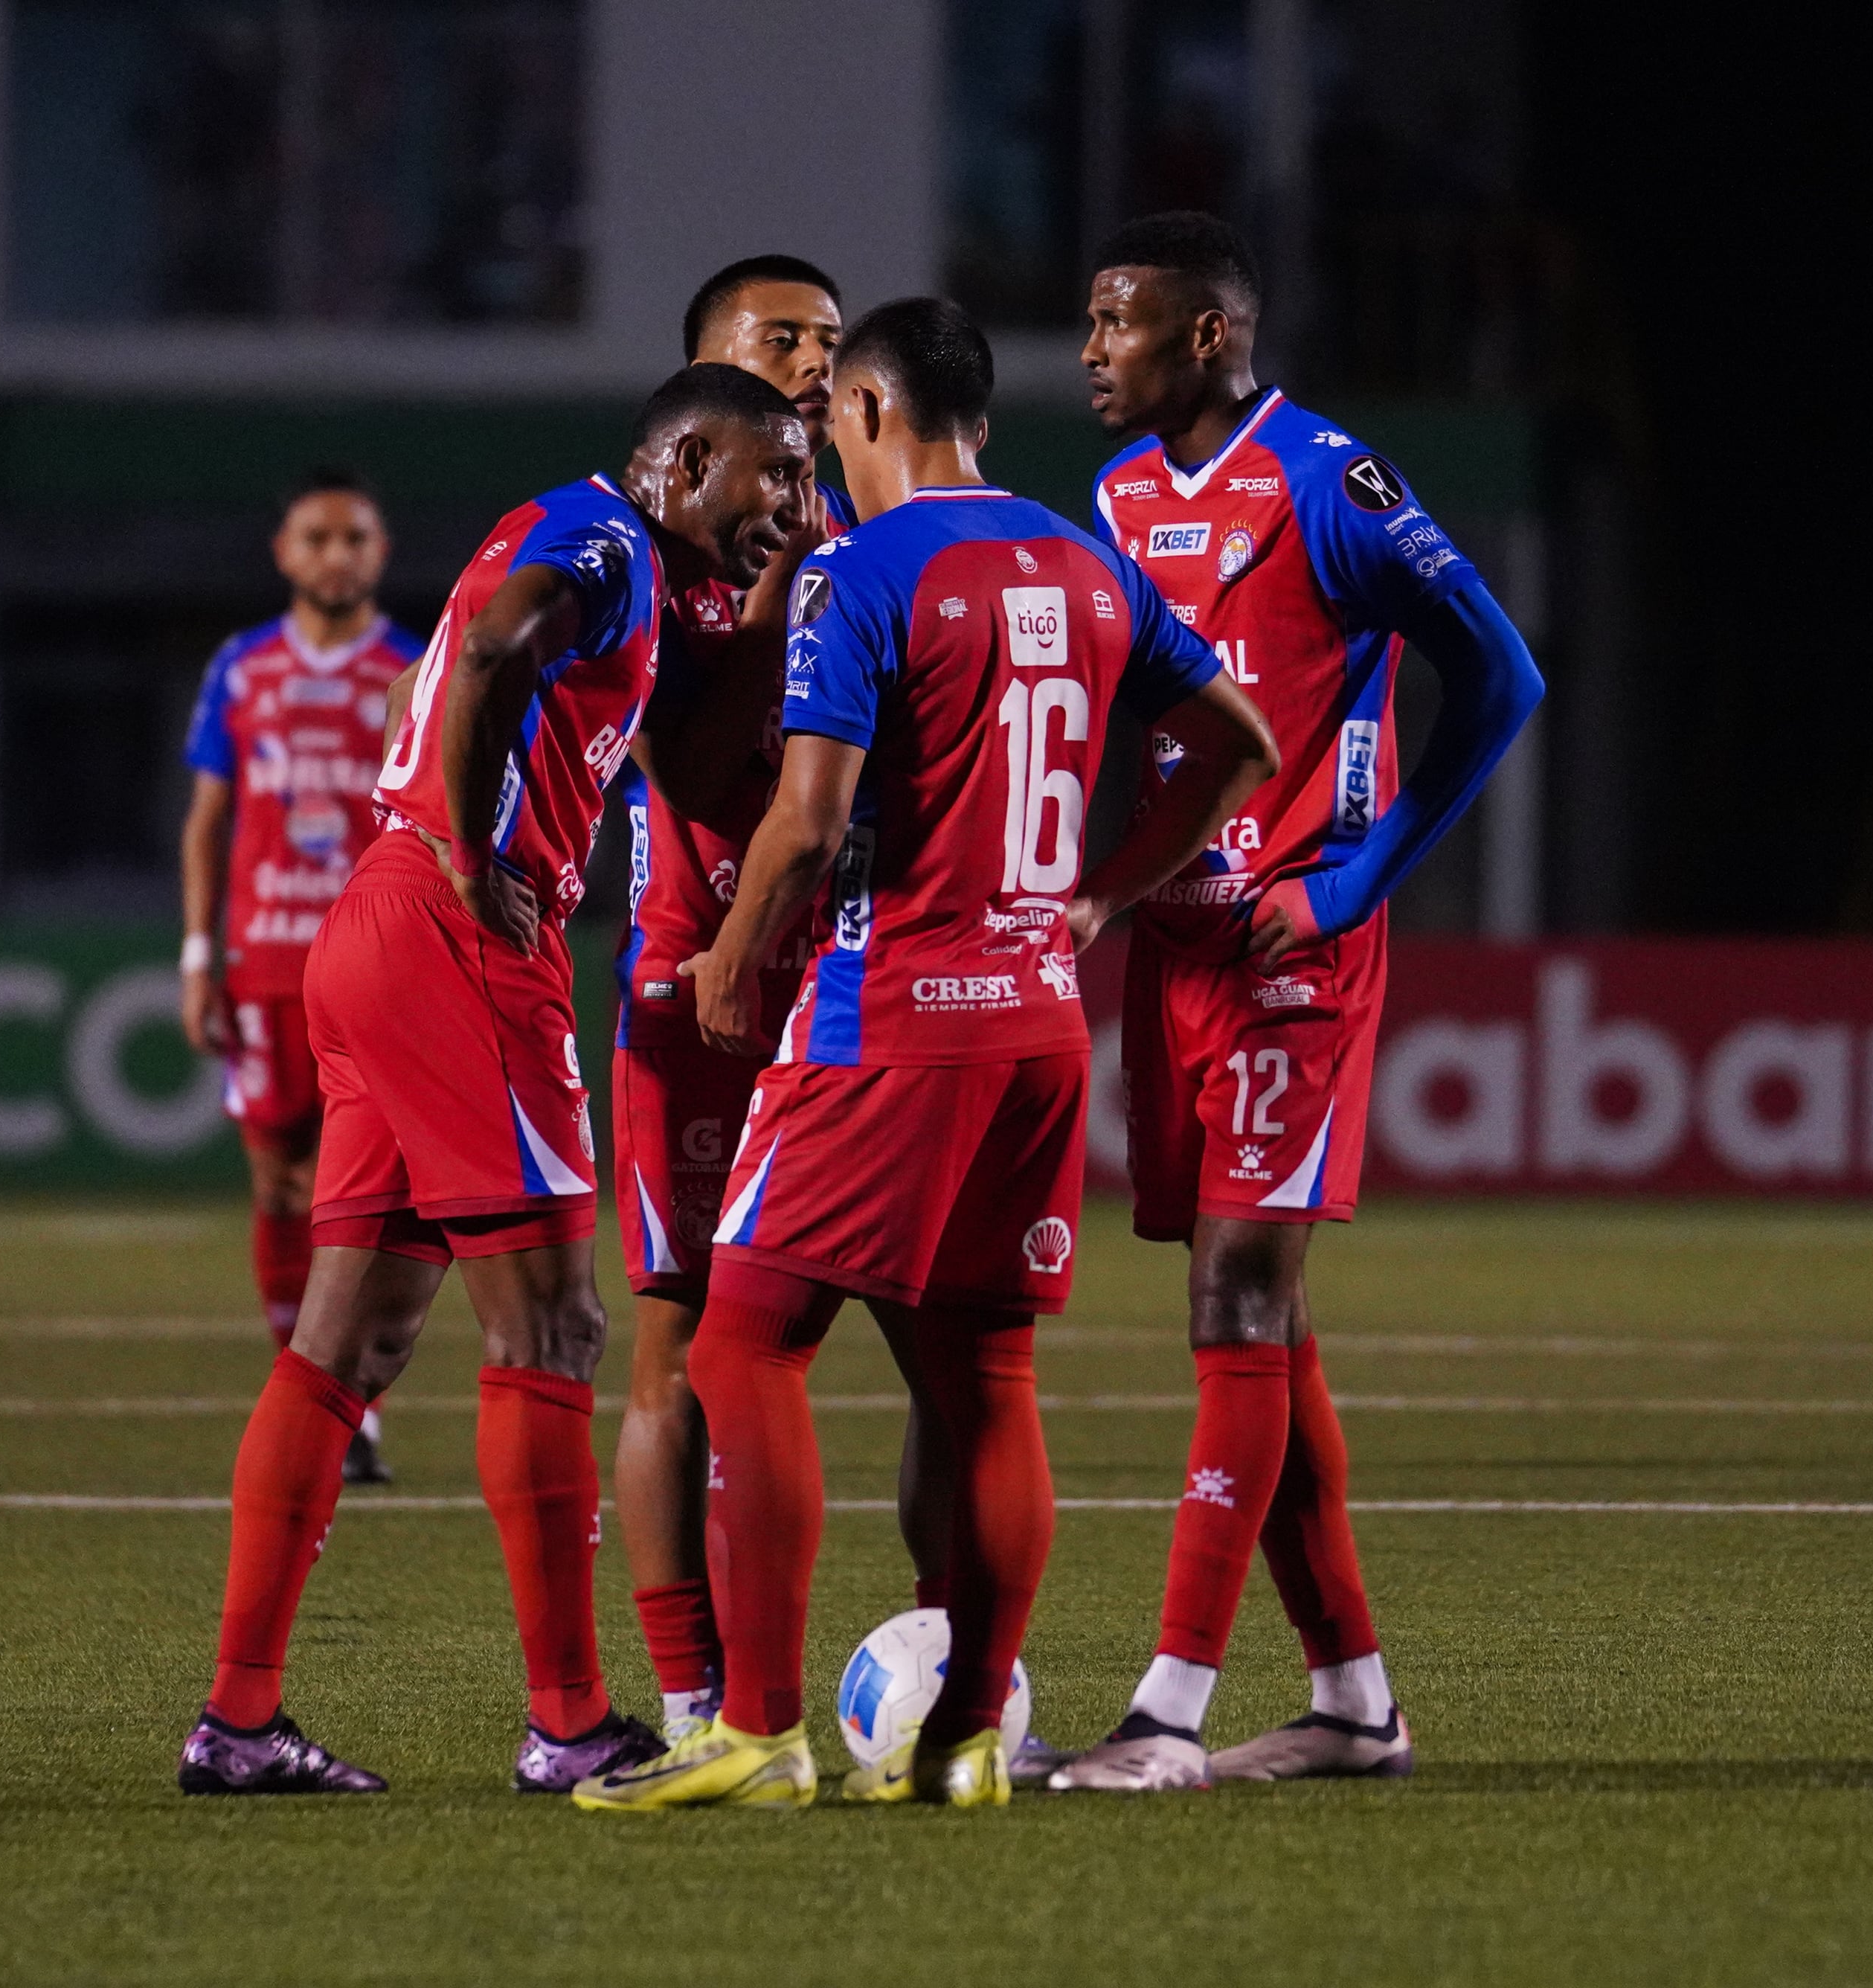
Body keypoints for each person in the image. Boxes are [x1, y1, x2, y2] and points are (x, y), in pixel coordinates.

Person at [571, 296, 1279, 1812]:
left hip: (881, 1016)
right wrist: (1096, 893)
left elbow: (808, 815)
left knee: (742, 1344)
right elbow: (1241, 740)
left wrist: (728, 957)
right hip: (1034, 1026)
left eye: (833, 419)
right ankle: (966, 1736)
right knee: (990, 1379)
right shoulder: (1089, 558)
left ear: (873, 415)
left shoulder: (859, 570)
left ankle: (756, 1731)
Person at [177, 364, 815, 1798]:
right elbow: (484, 657)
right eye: (771, 475)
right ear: (688, 455)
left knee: (351, 1340)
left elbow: (692, 757)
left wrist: (774, 592)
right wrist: (473, 856)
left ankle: (237, 1718)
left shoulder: (623, 557)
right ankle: (571, 1721)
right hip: (458, 932)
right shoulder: (597, 541)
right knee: (556, 1324)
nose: (785, 502)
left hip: (377, 925)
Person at [1043, 213, 1546, 1795]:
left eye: (1114, 320)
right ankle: (1353, 1703)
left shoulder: (1333, 482)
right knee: (1263, 1321)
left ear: (1204, 334)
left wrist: (1351, 882)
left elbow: (1504, 677)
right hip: (1176, 953)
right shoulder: (1120, 497)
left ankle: (1167, 1716)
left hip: (1292, 954)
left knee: (1237, 1303)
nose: (1089, 350)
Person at [608, 254, 861, 1745]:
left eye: (832, 342)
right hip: (689, 974)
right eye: (784, 338)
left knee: (924, 1335)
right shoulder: (647, 540)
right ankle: (695, 1699)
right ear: (701, 362)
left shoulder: (874, 507)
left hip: (851, 977)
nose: (817, 361)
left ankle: (968, 1677)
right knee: (681, 1346)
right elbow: (691, 767)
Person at [176, 469, 421, 1484]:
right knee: (279, 1185)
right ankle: (308, 1388)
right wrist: (200, 957)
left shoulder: (415, 667)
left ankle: (349, 1406)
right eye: (316, 538)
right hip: (266, 960)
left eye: (354, 537)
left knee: (359, 1193)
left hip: (375, 964)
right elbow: (207, 822)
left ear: (381, 550)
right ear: (284, 552)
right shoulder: (240, 669)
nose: (336, 555)